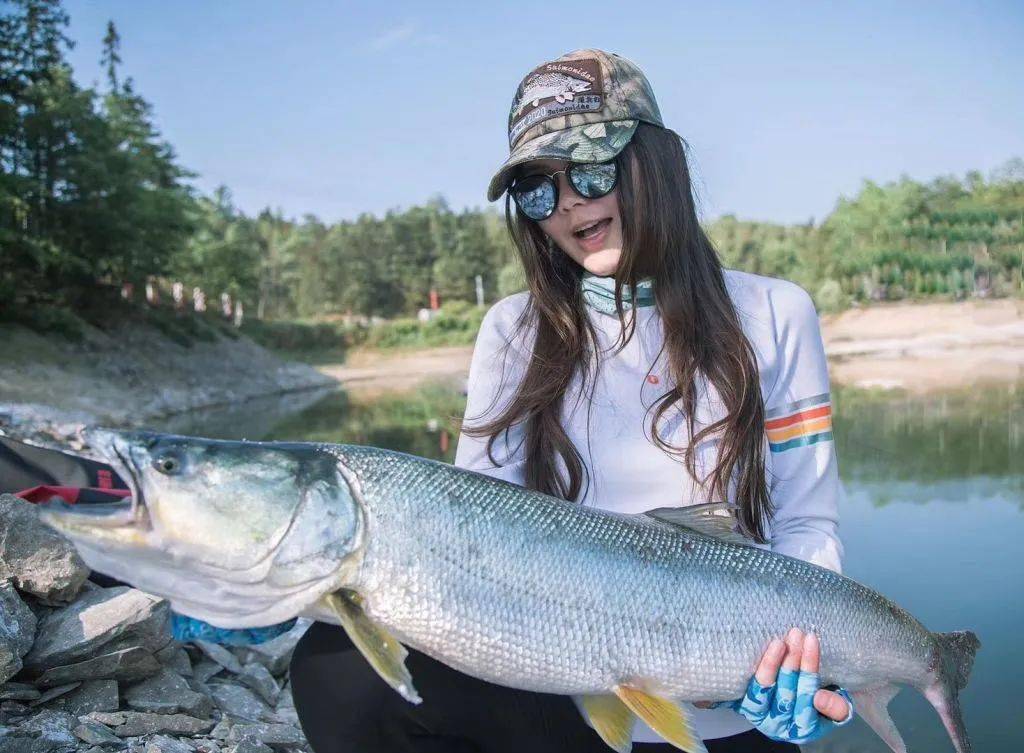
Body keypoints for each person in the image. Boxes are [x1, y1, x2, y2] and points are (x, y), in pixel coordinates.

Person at [289, 48, 854, 752]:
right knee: (336, 668)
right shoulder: (511, 330)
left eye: (591, 167)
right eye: (538, 188)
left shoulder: (775, 313)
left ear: (657, 163)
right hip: (566, 703)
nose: (568, 203)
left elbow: (808, 525)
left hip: (732, 697)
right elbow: (472, 538)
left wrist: (804, 656)